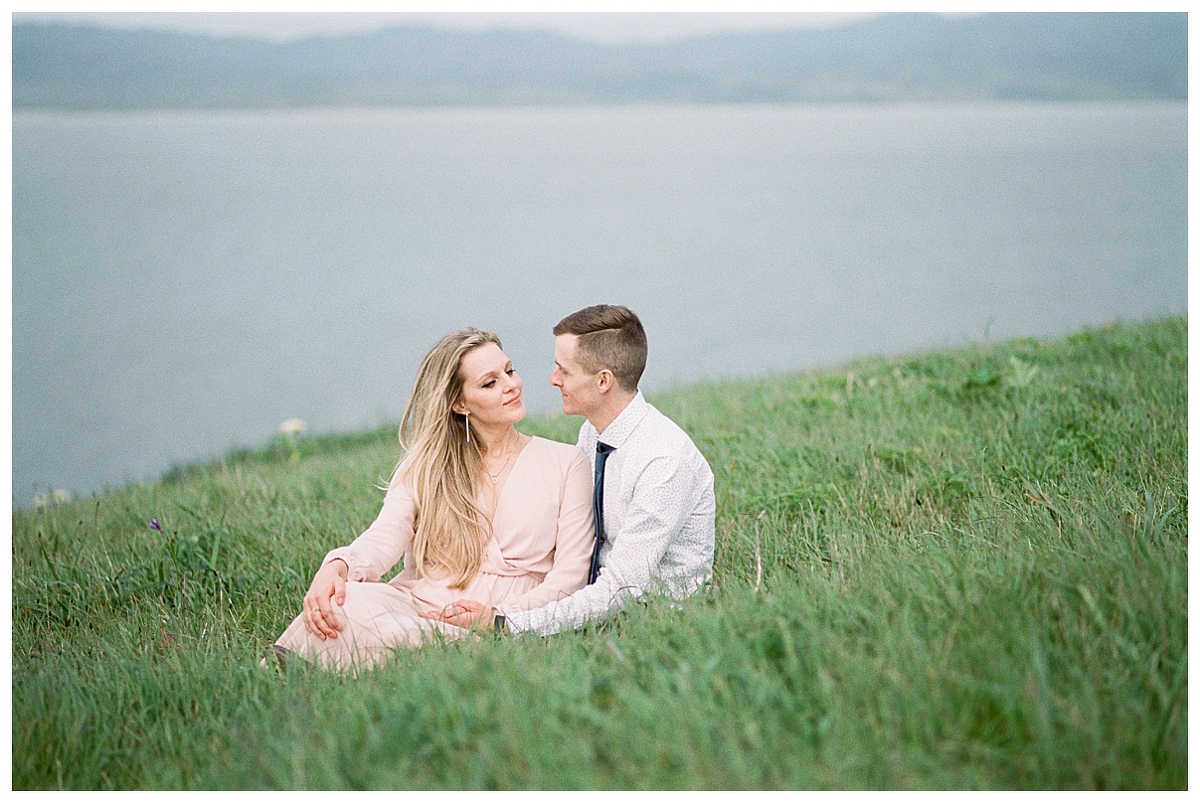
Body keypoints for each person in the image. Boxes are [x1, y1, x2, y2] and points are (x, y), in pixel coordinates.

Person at [268, 328, 595, 671]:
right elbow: (384, 537)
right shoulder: (425, 466)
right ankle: (294, 672)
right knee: (347, 602)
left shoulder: (567, 462)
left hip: (505, 621)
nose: (511, 385)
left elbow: (571, 576)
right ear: (459, 403)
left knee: (439, 644)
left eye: (509, 371)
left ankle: (403, 658)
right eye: (489, 383)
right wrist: (337, 567)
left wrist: (500, 618)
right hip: (419, 606)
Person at [423, 305, 716, 637]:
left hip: (652, 621)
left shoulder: (663, 462)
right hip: (588, 602)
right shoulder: (594, 432)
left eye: (564, 371)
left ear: (603, 381)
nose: (553, 379)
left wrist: (505, 624)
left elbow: (622, 589)